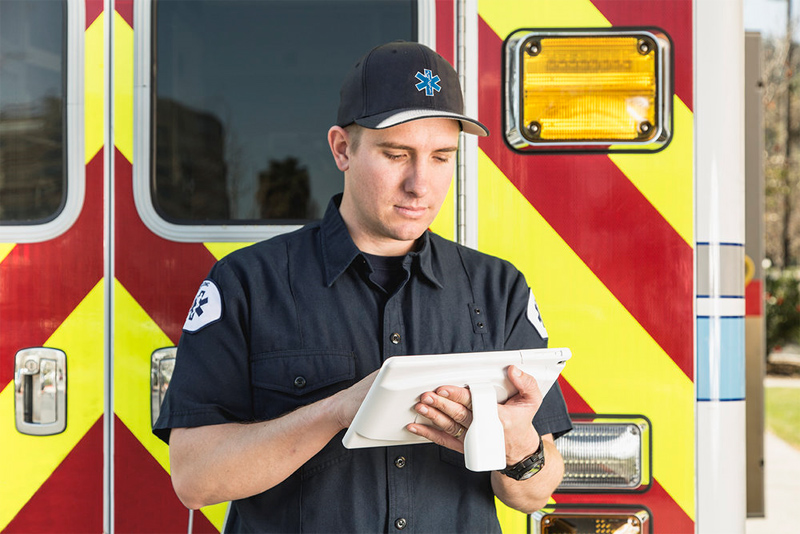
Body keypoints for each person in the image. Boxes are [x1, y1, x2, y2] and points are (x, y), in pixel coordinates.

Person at [153, 40, 572, 533]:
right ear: (342, 149)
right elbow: (195, 479)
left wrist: (520, 448)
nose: (420, 184)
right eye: (396, 154)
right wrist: (337, 410)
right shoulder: (247, 283)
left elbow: (534, 493)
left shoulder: (498, 288)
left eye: (441, 157)